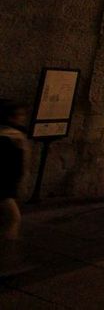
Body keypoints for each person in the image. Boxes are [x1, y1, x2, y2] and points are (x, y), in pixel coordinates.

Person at [0, 100, 28, 277]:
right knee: (13, 219)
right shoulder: (12, 137)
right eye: (19, 115)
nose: (22, 119)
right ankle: (5, 262)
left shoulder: (12, 136)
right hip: (4, 188)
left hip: (6, 187)